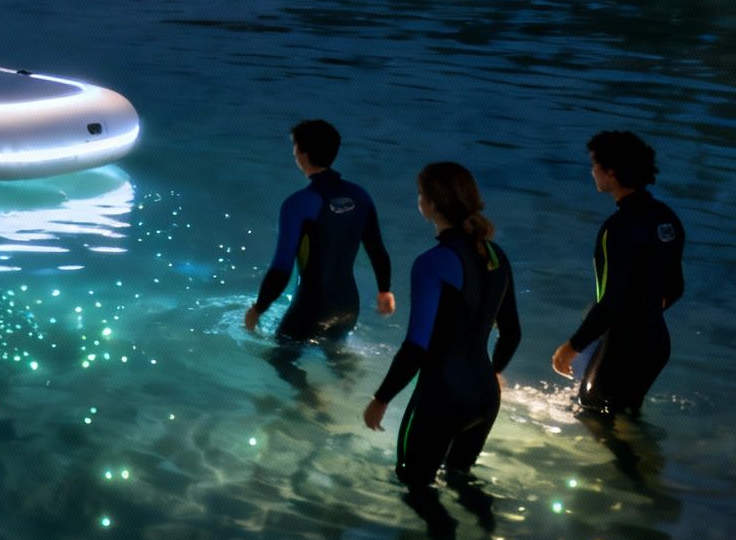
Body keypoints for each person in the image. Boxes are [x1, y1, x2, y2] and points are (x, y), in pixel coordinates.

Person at [362, 162, 521, 507]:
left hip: (441, 398)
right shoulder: (496, 254)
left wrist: (381, 398)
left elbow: (416, 346)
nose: (418, 199)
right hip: (485, 396)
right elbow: (512, 332)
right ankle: (484, 538)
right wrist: (491, 373)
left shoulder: (431, 262)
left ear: (432, 204)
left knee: (414, 487)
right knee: (461, 480)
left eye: (421, 193)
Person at [551, 131, 686, 416]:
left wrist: (571, 347)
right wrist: (645, 313)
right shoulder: (667, 218)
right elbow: (676, 287)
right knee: (624, 415)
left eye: (594, 166)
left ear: (610, 173)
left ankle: (640, 461)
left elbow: (610, 301)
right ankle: (644, 459)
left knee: (594, 414)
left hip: (626, 344)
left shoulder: (618, 228)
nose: (592, 172)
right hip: (657, 341)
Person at [244, 120, 395, 351]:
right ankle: (347, 387)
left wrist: (258, 309)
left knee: (280, 361)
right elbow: (377, 250)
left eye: (295, 147)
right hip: (348, 308)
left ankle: (310, 390)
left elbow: (281, 270)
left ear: (302, 154)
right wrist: (384, 291)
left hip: (312, 307)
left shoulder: (298, 205)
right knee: (337, 359)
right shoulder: (360, 196)